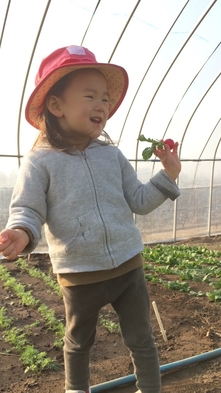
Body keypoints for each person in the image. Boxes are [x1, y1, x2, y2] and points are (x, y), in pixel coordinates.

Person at [0, 45, 181, 393]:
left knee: (142, 338)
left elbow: (139, 201)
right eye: (90, 96)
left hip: (128, 265)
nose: (102, 105)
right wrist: (21, 232)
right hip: (79, 273)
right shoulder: (40, 162)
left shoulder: (111, 155)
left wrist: (167, 176)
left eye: (105, 99)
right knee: (79, 342)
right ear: (55, 106)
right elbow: (28, 209)